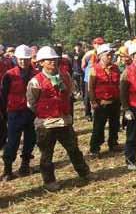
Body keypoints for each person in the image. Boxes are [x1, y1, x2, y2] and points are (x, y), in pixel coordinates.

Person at [27, 46, 92, 191]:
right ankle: (49, 181)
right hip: (46, 124)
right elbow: (31, 103)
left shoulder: (65, 76)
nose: (52, 63)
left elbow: (69, 94)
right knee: (46, 155)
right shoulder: (35, 81)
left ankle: (85, 173)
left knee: (74, 149)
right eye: (48, 60)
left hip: (64, 121)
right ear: (41, 62)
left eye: (54, 60)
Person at [1, 45, 38, 181]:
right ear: (16, 59)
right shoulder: (9, 75)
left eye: (26, 59)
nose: (23, 62)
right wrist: (4, 114)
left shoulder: (36, 74)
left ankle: (25, 165)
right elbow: (3, 95)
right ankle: (8, 169)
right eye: (21, 59)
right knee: (12, 142)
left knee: (30, 140)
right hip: (14, 113)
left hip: (31, 112)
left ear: (30, 59)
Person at [88, 44, 121, 157]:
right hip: (101, 103)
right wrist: (93, 102)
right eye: (108, 55)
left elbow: (119, 84)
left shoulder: (116, 68)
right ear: (101, 56)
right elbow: (91, 87)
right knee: (98, 126)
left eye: (111, 55)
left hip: (115, 102)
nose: (110, 57)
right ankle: (95, 148)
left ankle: (113, 143)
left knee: (115, 125)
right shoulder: (94, 69)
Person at [82, 37, 105, 121]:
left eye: (101, 44)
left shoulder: (104, 52)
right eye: (97, 44)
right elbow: (83, 65)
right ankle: (87, 114)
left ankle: (98, 112)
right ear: (93, 44)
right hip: (89, 77)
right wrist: (88, 72)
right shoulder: (89, 54)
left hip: (100, 78)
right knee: (88, 96)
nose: (99, 45)